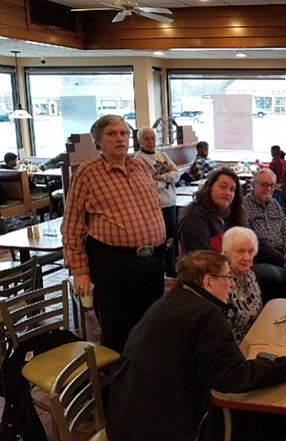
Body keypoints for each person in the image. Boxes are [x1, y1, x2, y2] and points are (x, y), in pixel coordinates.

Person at [106, 250, 286, 441]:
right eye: (227, 277)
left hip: (124, 419)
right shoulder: (206, 314)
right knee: (267, 422)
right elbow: (234, 378)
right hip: (166, 429)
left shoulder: (170, 300)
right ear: (208, 281)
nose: (232, 285)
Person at [61, 115, 166, 353]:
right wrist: (80, 272)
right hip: (113, 262)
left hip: (152, 260)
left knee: (151, 325)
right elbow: (72, 226)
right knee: (117, 329)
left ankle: (144, 379)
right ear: (98, 141)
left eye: (123, 133)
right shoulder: (87, 173)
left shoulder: (140, 167)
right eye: (111, 134)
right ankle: (117, 384)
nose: (120, 138)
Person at [244, 168, 286, 303]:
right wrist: (284, 262)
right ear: (253, 185)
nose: (269, 188)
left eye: (272, 185)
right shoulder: (244, 206)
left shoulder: (274, 203)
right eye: (264, 184)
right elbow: (254, 241)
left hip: (282, 254)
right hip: (261, 257)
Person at [134, 126, 179, 276]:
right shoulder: (139, 160)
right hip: (155, 206)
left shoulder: (162, 155)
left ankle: (171, 268)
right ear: (139, 141)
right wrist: (167, 180)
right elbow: (147, 184)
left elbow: (176, 174)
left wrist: (163, 178)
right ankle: (160, 271)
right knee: (159, 240)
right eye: (146, 138)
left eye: (152, 138)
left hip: (171, 202)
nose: (150, 141)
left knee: (171, 239)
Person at [176, 167, 246, 254]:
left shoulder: (230, 214)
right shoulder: (194, 218)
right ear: (209, 188)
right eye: (223, 187)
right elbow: (201, 261)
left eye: (232, 189)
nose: (228, 193)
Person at [222, 227, 262, 343]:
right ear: (226, 253)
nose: (247, 257)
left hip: (256, 334)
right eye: (240, 251)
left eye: (250, 251)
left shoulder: (249, 273)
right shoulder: (222, 280)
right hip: (235, 346)